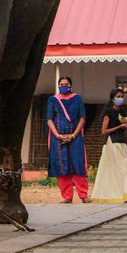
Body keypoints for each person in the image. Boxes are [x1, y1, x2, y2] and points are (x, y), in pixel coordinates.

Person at [46, 75, 90, 203]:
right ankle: (67, 196)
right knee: (61, 166)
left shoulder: (77, 99)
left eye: (66, 84)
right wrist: (57, 135)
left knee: (78, 164)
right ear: (58, 86)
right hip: (58, 138)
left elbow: (82, 118)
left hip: (75, 137)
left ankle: (83, 195)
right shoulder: (53, 100)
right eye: (62, 84)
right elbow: (49, 119)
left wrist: (74, 135)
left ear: (71, 86)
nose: (64, 86)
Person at [91, 88, 127, 203]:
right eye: (118, 96)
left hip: (121, 142)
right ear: (112, 98)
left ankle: (125, 194)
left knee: (125, 168)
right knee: (124, 168)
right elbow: (104, 131)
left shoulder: (122, 112)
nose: (120, 99)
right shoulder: (108, 112)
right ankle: (122, 194)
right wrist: (119, 127)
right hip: (112, 143)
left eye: (122, 97)